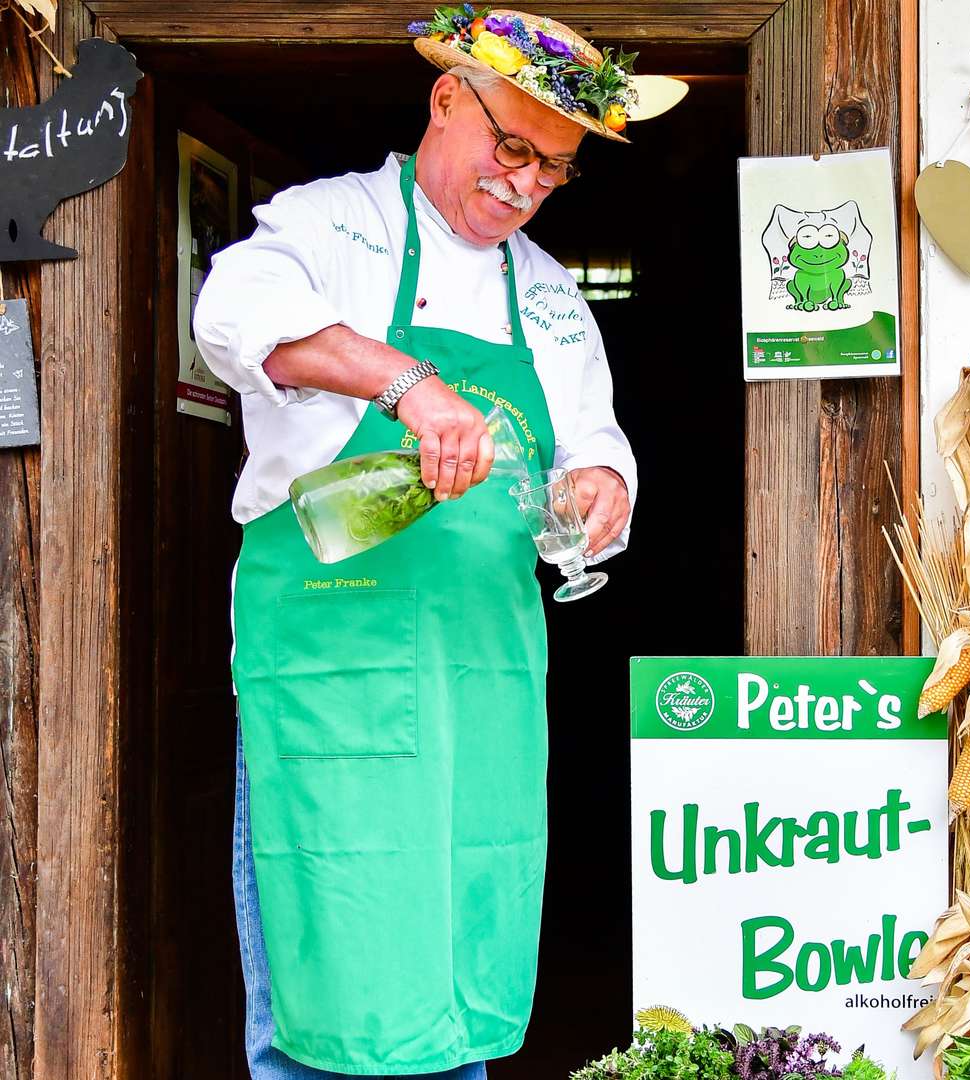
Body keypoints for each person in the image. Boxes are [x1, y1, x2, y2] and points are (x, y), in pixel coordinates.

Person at [193, 9, 645, 1076]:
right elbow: (229, 315)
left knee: (458, 946)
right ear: (448, 100)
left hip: (482, 671)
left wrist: (602, 488)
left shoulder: (548, 290)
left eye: (556, 169)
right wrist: (408, 385)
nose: (527, 183)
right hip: (334, 662)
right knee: (335, 957)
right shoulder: (331, 225)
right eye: (513, 148)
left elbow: (597, 434)